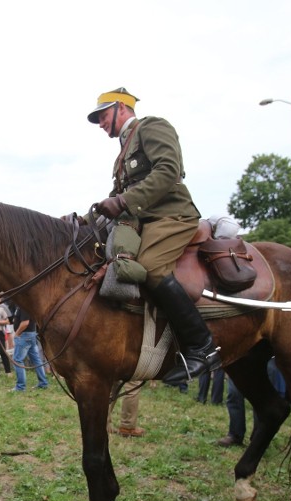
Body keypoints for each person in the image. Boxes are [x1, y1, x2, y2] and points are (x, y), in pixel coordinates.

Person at [88, 87, 221, 386]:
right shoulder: (122, 152)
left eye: (103, 115)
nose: (100, 123)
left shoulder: (152, 126)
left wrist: (122, 202)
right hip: (143, 221)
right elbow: (117, 196)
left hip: (172, 215)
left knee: (150, 267)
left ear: (122, 107)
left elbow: (168, 170)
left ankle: (203, 346)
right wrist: (83, 220)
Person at [10, 304, 48, 392]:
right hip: (30, 335)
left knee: (17, 360)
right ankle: (43, 383)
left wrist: (17, 334)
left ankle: (20, 387)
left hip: (24, 336)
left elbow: (25, 323)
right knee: (36, 360)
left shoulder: (24, 306)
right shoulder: (25, 306)